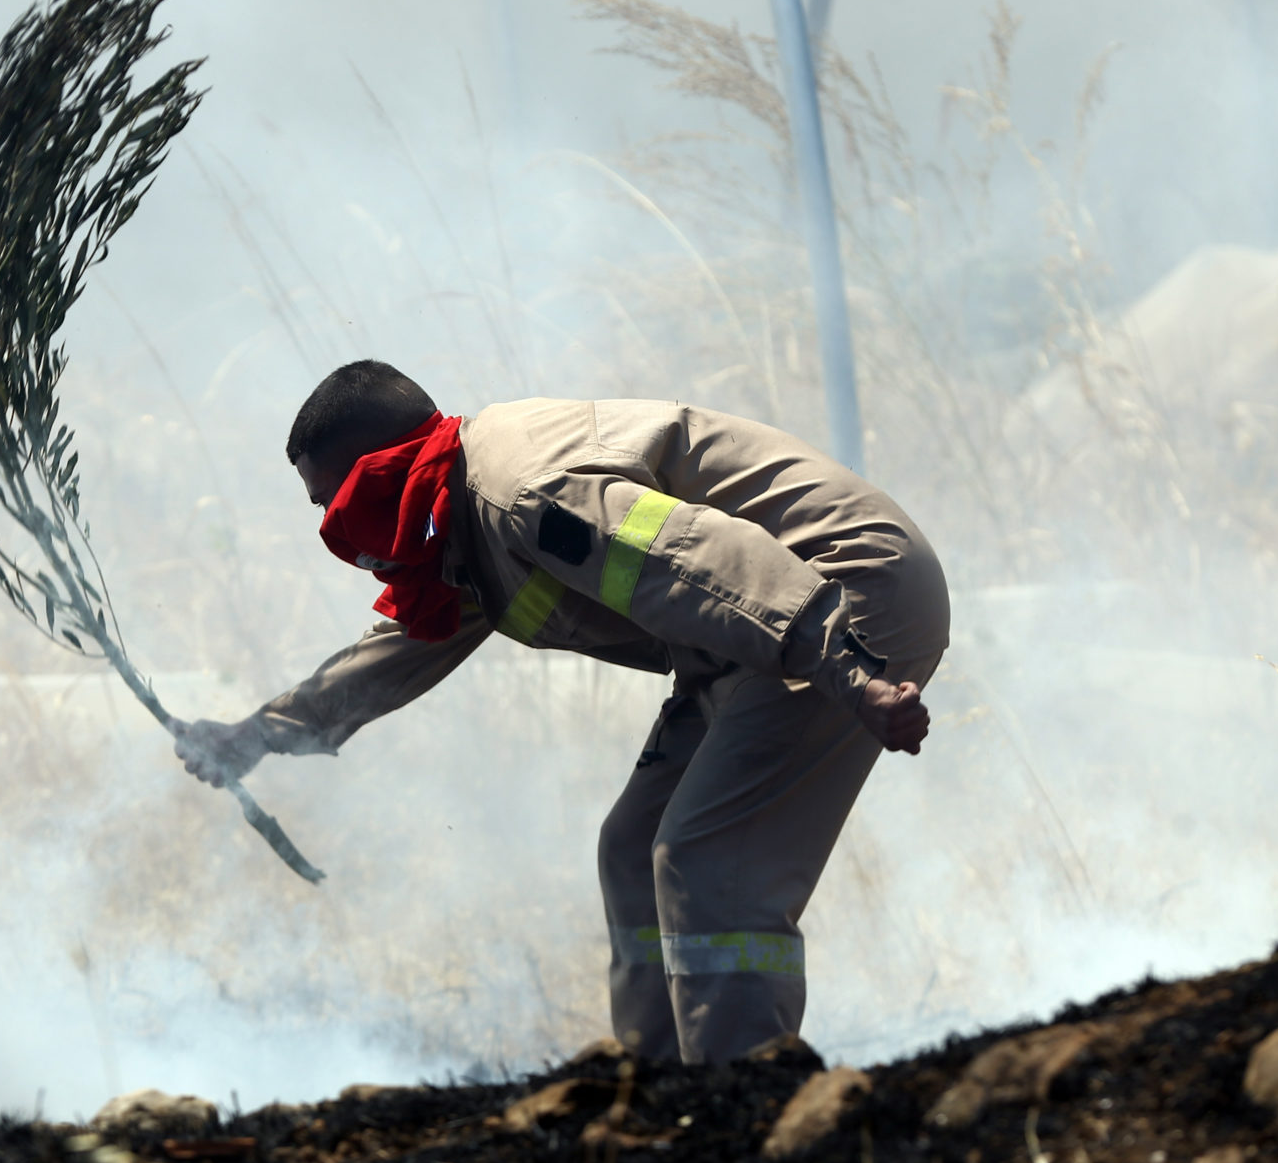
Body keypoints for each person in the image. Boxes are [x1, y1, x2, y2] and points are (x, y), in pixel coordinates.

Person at [174, 360, 951, 1065]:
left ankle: (746, 1111)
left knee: (707, 859)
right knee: (633, 845)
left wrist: (851, 675)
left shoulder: (525, 493)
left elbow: (696, 560)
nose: (344, 539)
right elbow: (405, 647)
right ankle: (656, 1092)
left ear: (378, 474)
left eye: (336, 507)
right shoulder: (465, 519)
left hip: (843, 597)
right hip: (751, 638)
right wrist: (260, 734)